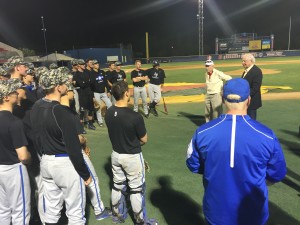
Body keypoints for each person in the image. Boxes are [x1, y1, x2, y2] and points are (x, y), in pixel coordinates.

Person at [186, 78, 287, 225]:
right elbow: (277, 173)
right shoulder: (266, 135)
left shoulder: (202, 132)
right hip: (253, 213)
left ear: (222, 98)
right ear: (249, 100)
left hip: (216, 212)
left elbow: (193, 165)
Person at [30, 69, 92, 224]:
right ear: (58, 87)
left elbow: (35, 137)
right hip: (65, 164)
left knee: (51, 211)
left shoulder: (36, 106)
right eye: (64, 83)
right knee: (75, 213)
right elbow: (73, 148)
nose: (67, 85)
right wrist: (85, 173)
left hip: (45, 161)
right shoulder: (63, 112)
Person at [105, 81, 157, 225]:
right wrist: (132, 143)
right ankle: (141, 221)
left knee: (117, 185)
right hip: (132, 156)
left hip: (116, 155)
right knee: (136, 189)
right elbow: (144, 139)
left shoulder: (108, 112)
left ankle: (117, 215)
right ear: (126, 93)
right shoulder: (134, 116)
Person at [60, 83, 112, 221]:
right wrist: (84, 143)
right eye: (71, 91)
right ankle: (99, 210)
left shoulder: (50, 110)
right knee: (92, 179)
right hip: (75, 152)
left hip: (57, 156)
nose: (73, 93)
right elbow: (79, 138)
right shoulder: (69, 113)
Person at [0, 79, 32, 225]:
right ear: (6, 97)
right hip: (13, 169)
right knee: (21, 212)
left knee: (2, 211)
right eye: (13, 92)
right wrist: (30, 157)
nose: (17, 94)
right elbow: (23, 156)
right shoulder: (14, 121)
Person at [73, 59, 96, 130]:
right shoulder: (76, 74)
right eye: (82, 64)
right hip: (82, 95)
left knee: (91, 109)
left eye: (84, 64)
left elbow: (92, 81)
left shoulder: (87, 72)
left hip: (89, 93)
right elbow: (82, 85)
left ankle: (90, 124)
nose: (84, 65)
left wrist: (85, 82)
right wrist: (87, 82)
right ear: (79, 65)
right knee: (82, 111)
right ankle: (81, 128)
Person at [241, 53, 263, 120]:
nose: (243, 63)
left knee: (251, 120)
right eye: (242, 61)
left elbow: (255, 88)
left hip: (252, 102)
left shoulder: (256, 71)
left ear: (251, 61)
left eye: (245, 61)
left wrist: (245, 95)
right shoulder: (247, 70)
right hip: (246, 101)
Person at [91, 59, 112, 126]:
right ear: (93, 65)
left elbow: (106, 82)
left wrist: (108, 91)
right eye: (96, 64)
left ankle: (108, 117)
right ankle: (100, 121)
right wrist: (93, 96)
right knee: (98, 108)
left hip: (103, 92)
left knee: (109, 104)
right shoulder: (91, 73)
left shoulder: (102, 72)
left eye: (98, 63)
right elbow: (91, 85)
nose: (98, 65)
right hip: (96, 93)